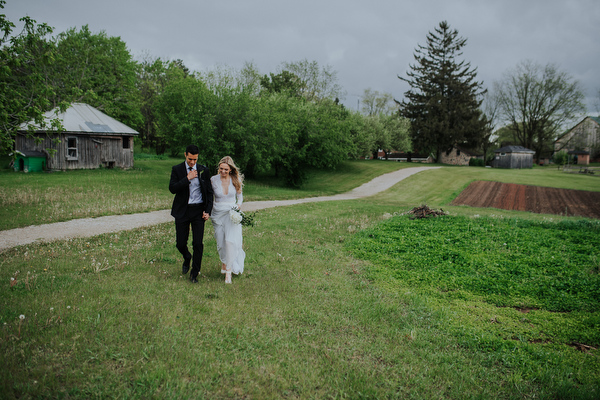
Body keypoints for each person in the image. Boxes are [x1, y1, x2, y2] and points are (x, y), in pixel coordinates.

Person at [169, 145, 213, 284]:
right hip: (182, 210)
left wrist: (208, 210)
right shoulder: (177, 169)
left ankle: (194, 274)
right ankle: (187, 257)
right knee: (180, 243)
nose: (192, 162)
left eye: (195, 159)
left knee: (198, 243)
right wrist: (187, 178)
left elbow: (209, 192)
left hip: (198, 210)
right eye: (190, 159)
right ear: (185, 155)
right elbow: (172, 188)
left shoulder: (203, 170)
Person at [210, 156, 245, 284]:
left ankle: (228, 272)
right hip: (217, 214)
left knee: (230, 242)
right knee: (220, 242)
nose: (223, 171)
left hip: (231, 214)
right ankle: (224, 263)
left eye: (225, 169)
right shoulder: (213, 180)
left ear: (230, 169)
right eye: (221, 169)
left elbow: (240, 197)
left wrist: (238, 207)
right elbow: (209, 197)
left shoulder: (235, 180)